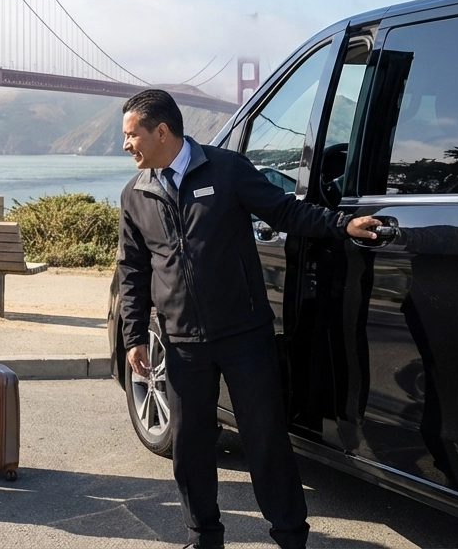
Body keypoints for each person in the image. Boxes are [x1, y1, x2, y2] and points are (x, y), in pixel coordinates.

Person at [116, 89, 380, 549]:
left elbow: (284, 210)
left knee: (266, 441)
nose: (125, 145)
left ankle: (290, 536)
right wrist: (134, 335)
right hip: (181, 343)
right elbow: (132, 269)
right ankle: (204, 537)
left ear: (161, 131)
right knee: (190, 447)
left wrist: (341, 224)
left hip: (244, 334)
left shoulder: (226, 169)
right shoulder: (135, 194)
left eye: (131, 134)